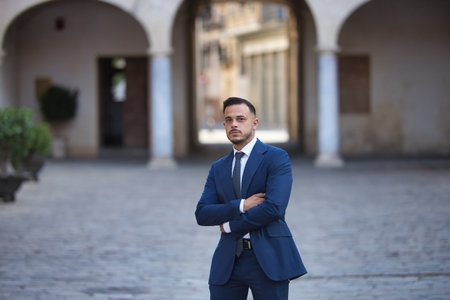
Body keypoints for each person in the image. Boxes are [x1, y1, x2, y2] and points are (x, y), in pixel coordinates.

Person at [195, 97, 307, 300]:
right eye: (228, 120)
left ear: (254, 123)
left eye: (240, 118)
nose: (234, 124)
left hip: (268, 258)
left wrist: (230, 226)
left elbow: (273, 208)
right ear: (224, 125)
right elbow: (202, 214)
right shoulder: (218, 167)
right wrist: (241, 205)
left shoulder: (276, 158)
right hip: (228, 261)